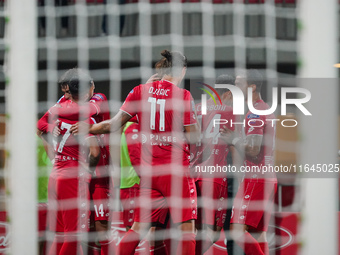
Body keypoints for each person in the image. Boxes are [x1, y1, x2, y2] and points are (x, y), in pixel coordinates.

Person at [70, 49, 201, 255]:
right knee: (187, 230)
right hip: (176, 171)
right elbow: (195, 137)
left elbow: (113, 124)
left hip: (150, 174)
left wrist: (89, 128)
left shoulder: (140, 91)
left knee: (139, 228)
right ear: (182, 71)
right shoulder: (183, 95)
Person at [37, 68, 112, 255]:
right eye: (64, 92)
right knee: (72, 234)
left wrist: (56, 116)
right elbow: (41, 127)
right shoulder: (67, 104)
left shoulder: (98, 99)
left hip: (99, 172)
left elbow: (42, 123)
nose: (65, 95)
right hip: (78, 172)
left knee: (101, 227)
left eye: (68, 91)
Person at [220, 69, 277, 255]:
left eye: (239, 83)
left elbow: (253, 150)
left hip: (256, 178)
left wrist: (234, 140)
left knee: (236, 232)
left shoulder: (255, 113)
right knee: (258, 234)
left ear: (251, 87)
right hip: (267, 178)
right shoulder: (264, 108)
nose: (235, 87)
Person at [191, 74, 237, 254]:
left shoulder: (196, 108)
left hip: (193, 175)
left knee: (198, 229)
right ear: (229, 92)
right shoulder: (230, 111)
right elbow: (232, 145)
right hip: (215, 176)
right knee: (214, 232)